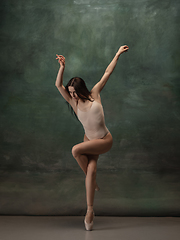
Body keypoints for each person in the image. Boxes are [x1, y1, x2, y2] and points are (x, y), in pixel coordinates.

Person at [55, 45, 129, 231]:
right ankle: (90, 211)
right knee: (92, 169)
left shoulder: (94, 94)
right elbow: (58, 85)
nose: (72, 95)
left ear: (82, 89)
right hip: (89, 140)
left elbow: (107, 72)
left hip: (104, 141)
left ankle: (92, 181)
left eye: (74, 92)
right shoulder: (74, 102)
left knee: (75, 150)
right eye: (70, 93)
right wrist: (62, 68)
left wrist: (117, 54)